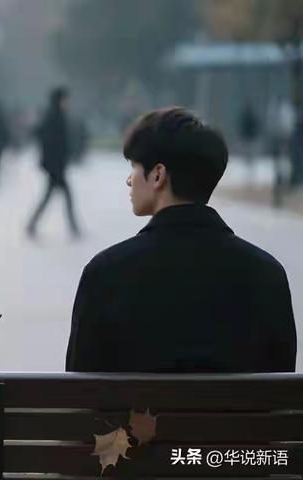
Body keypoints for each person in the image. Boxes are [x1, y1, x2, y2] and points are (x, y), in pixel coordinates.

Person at [66, 107, 296, 373]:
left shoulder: (105, 273)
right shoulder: (268, 274)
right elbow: (281, 380)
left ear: (158, 175)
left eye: (134, 167)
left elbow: (80, 384)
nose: (129, 180)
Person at [26, 86, 80, 238]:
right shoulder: (54, 117)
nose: (67, 103)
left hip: (55, 166)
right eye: (65, 100)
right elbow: (52, 142)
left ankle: (32, 224)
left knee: (50, 196)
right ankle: (73, 228)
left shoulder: (55, 116)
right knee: (64, 196)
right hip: (55, 167)